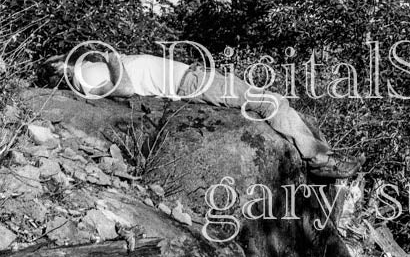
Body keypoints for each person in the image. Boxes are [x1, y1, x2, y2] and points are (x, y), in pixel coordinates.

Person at [45, 48, 362, 179]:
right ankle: (321, 160)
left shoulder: (88, 67)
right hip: (190, 83)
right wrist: (113, 58)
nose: (63, 59)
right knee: (271, 102)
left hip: (193, 77)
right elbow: (125, 89)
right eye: (57, 64)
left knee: (268, 100)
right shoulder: (85, 79)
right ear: (60, 72)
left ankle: (320, 155)